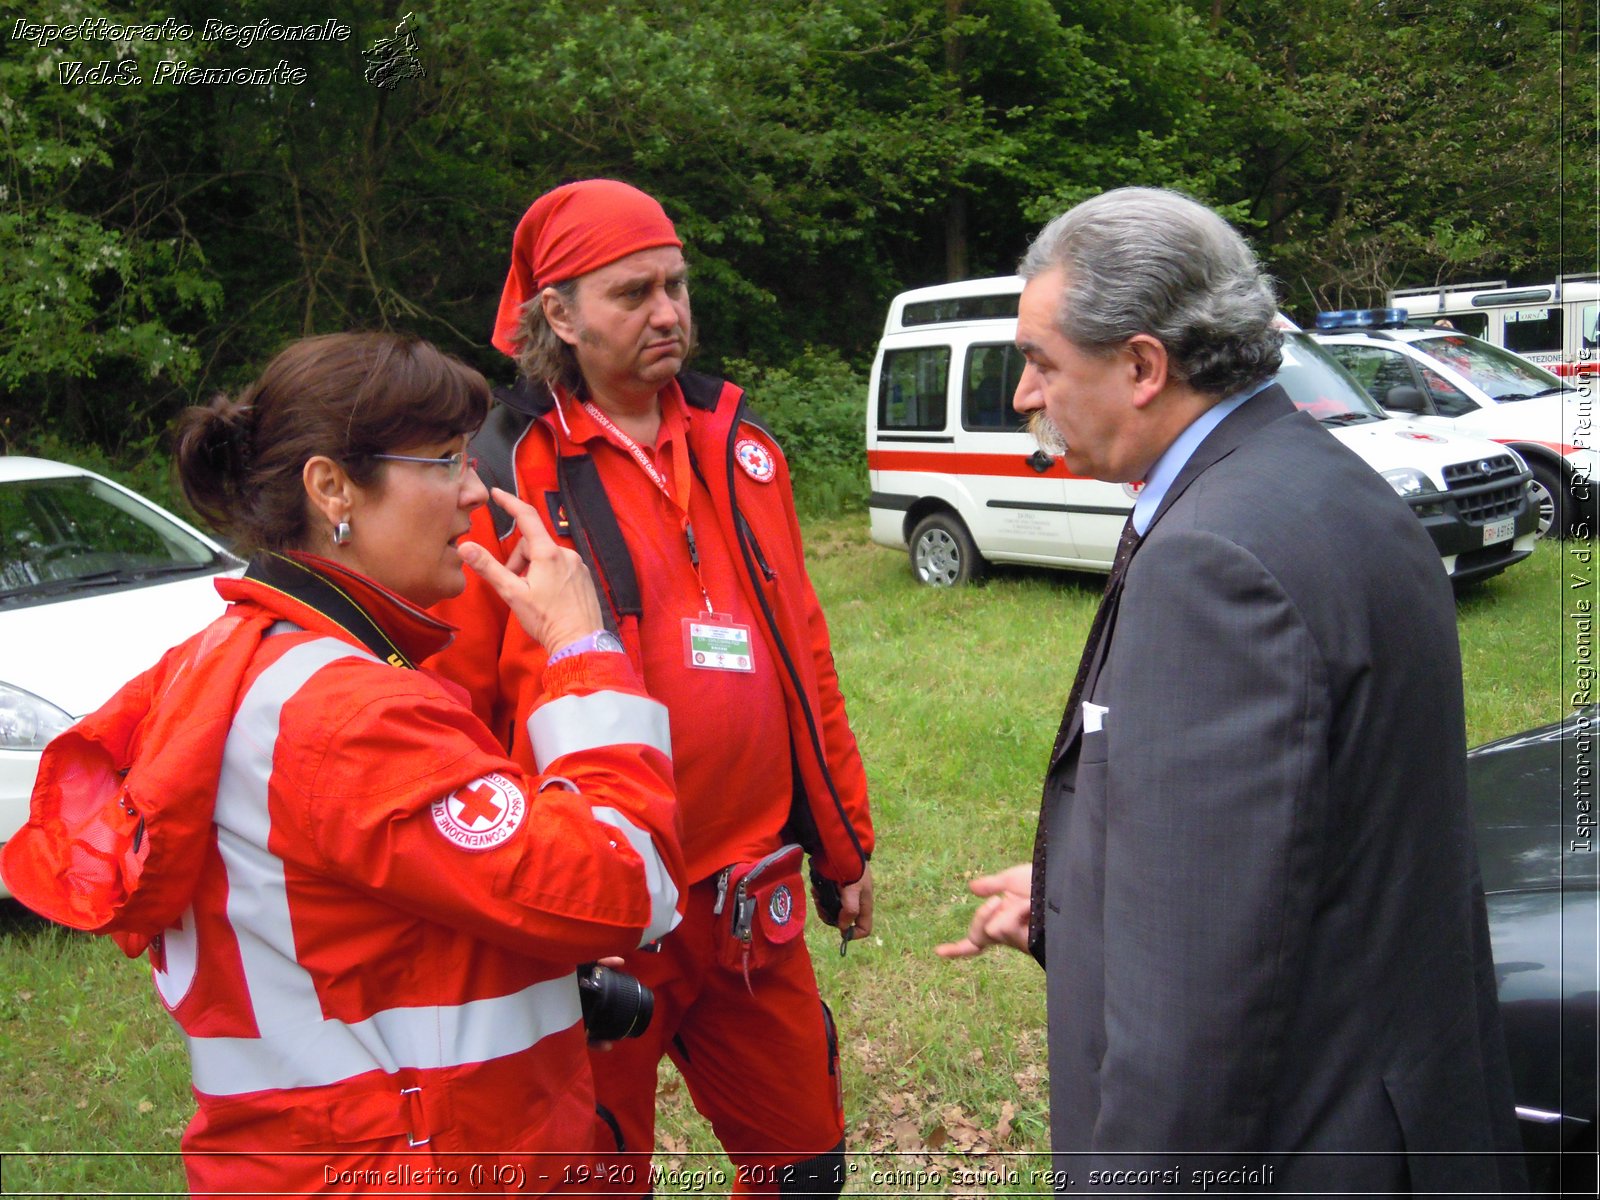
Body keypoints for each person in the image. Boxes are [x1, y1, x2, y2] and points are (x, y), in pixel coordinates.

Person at [1, 332, 686, 1197]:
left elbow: (358, 928)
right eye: (443, 462)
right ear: (331, 488)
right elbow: (630, 883)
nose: (478, 490)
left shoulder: (235, 658)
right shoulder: (351, 717)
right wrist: (581, 651)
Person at [936, 188, 1525, 1194]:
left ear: (1140, 366)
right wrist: (1084, 897)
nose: (1025, 398)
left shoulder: (1212, 560)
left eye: (1039, 362)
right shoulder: (1328, 486)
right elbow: (1309, 845)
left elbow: (1193, 1020)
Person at [427, 179, 873, 1195]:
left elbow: (802, 651)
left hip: (748, 896)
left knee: (805, 1165)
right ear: (560, 313)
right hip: (598, 913)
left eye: (675, 285)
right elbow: (455, 712)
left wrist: (843, 841)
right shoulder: (494, 474)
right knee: (589, 1176)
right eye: (632, 293)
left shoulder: (740, 444)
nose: (668, 313)